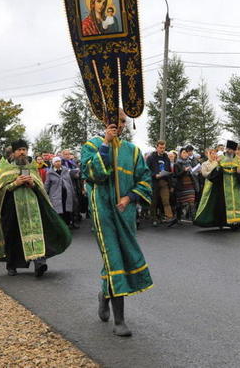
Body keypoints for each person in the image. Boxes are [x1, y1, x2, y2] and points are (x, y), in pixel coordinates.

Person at [81, 109, 153, 336]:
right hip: (103, 213)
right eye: (116, 121)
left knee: (122, 257)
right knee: (113, 259)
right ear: (105, 121)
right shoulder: (91, 146)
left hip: (125, 213)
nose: (119, 125)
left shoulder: (132, 151)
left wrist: (129, 197)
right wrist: (106, 143)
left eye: (123, 121)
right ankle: (119, 321)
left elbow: (145, 179)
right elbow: (93, 174)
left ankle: (105, 294)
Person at [0, 140, 71, 276]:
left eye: (24, 149)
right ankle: (11, 265)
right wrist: (15, 183)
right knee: (12, 236)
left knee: (38, 234)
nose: (22, 152)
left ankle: (39, 263)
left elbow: (40, 188)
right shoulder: (3, 169)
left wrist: (32, 184)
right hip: (11, 208)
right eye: (19, 150)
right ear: (13, 152)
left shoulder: (32, 168)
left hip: (32, 208)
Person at [194, 140, 240, 229]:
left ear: (234, 150)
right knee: (222, 205)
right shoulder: (221, 158)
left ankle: (236, 222)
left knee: (237, 203)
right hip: (222, 186)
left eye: (231, 149)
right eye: (228, 149)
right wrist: (219, 166)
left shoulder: (238, 159)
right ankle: (221, 223)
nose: (229, 151)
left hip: (235, 185)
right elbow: (214, 172)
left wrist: (239, 172)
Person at [146, 140, 175, 227]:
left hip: (164, 181)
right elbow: (146, 170)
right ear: (157, 147)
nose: (162, 149)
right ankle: (153, 218)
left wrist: (171, 185)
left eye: (163, 148)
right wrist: (155, 175)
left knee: (166, 200)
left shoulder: (166, 158)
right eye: (160, 148)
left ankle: (169, 217)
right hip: (154, 182)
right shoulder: (151, 158)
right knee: (154, 201)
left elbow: (169, 171)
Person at [45, 156, 75, 226]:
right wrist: (45, 194)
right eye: (56, 161)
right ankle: (61, 227)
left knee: (66, 210)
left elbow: (70, 182)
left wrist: (72, 192)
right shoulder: (50, 173)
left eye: (59, 161)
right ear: (53, 163)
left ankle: (67, 226)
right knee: (58, 212)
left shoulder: (65, 170)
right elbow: (47, 184)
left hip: (66, 194)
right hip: (56, 195)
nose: (58, 163)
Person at [174, 148, 199, 221]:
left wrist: (196, 171)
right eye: (184, 153)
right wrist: (184, 171)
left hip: (190, 184)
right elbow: (176, 175)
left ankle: (194, 218)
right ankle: (178, 218)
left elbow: (193, 173)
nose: (185, 154)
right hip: (181, 186)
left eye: (186, 153)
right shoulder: (177, 164)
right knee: (180, 203)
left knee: (191, 200)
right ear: (180, 154)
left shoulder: (189, 162)